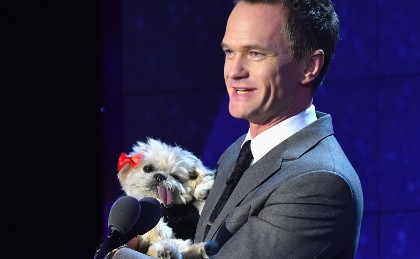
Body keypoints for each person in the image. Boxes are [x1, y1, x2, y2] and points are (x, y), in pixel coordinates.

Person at [109, 0, 363, 258]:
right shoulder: (238, 152)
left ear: (309, 66)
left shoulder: (320, 182)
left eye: (256, 53)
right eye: (229, 52)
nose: (234, 71)